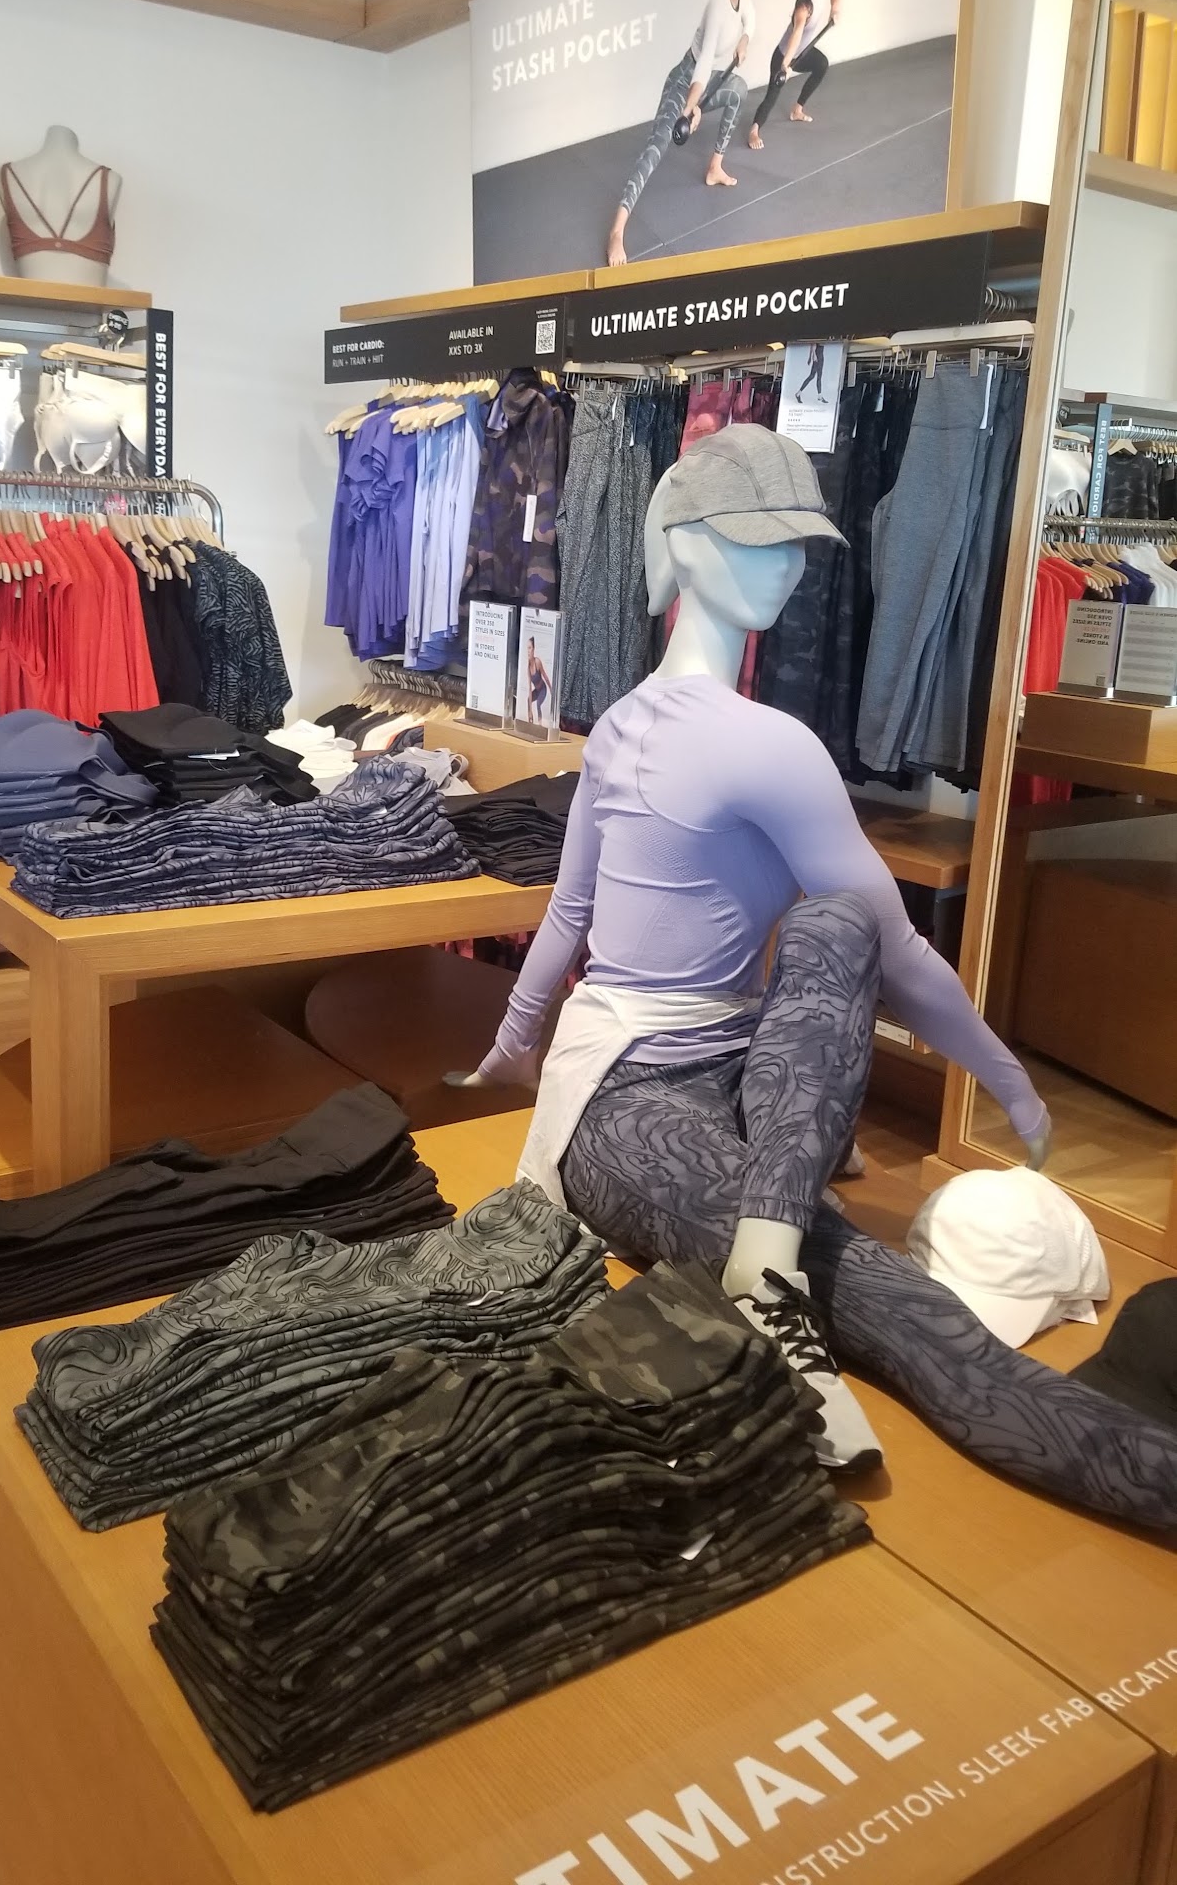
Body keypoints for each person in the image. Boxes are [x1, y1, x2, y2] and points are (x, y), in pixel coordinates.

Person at [456, 426, 1177, 1535]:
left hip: (742, 1081)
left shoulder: (645, 726)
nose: (788, 567)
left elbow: (871, 945)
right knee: (899, 1305)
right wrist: (514, 1046)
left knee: (837, 923)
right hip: (628, 1102)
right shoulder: (743, 741)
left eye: (797, 544)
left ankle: (767, 1257)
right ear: (682, 543)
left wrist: (1001, 1077)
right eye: (758, 541)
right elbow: (574, 911)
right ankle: (776, 1273)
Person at [607, 0, 756, 266]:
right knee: (657, 147)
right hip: (684, 82)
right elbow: (702, 65)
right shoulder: (718, 4)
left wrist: (746, 38)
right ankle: (617, 230)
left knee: (738, 90)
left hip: (702, 86)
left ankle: (714, 167)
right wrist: (691, 109)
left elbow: (750, 19)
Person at [749, 0, 839, 150]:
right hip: (784, 55)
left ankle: (797, 109)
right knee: (772, 96)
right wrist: (785, 67)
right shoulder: (804, 5)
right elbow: (796, 36)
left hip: (803, 53)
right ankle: (754, 130)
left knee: (822, 64)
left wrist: (834, 10)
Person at [526, 636, 550, 723]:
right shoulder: (528, 667)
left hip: (543, 689)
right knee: (528, 700)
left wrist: (551, 690)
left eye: (530, 648)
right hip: (537, 690)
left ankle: (540, 723)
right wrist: (530, 711)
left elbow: (545, 676)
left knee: (538, 704)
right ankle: (530, 719)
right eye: (527, 648)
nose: (528, 651)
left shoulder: (537, 661)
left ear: (533, 649)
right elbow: (529, 688)